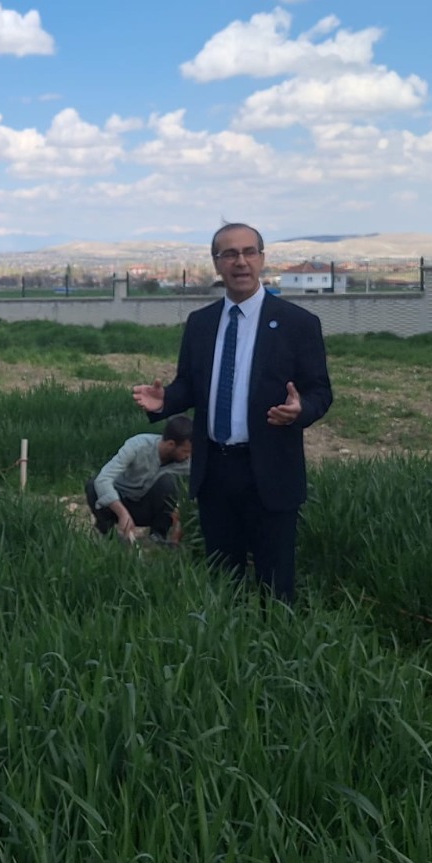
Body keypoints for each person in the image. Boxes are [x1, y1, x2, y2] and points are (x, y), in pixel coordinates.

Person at [133, 223, 333, 603]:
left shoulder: (298, 324)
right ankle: (230, 653)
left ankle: (280, 649)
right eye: (229, 254)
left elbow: (320, 391)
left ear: (261, 259)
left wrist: (300, 409)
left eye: (248, 252)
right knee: (224, 582)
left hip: (271, 470)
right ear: (217, 263)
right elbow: (191, 386)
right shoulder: (201, 324)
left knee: (276, 584)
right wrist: (166, 401)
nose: (240, 262)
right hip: (215, 472)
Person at [86, 416, 193, 544]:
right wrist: (121, 513)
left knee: (167, 483)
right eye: (185, 451)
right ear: (171, 444)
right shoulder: (138, 446)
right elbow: (103, 479)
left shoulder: (186, 462)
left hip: (147, 507)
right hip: (119, 501)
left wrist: (182, 518)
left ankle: (158, 535)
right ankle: (107, 533)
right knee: (93, 485)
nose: (188, 456)